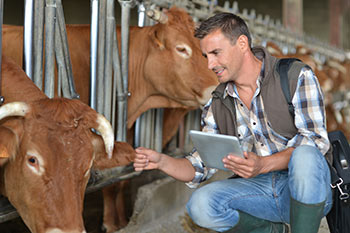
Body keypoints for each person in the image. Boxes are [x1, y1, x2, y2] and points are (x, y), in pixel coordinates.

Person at [133, 12, 333, 233]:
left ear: (242, 43)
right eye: (206, 56)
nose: (210, 64)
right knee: (200, 204)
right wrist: (161, 161)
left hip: (308, 190)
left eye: (216, 53)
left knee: (304, 155)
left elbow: (316, 141)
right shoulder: (217, 103)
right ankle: (272, 230)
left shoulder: (295, 76)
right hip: (259, 191)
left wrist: (263, 164)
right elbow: (199, 166)